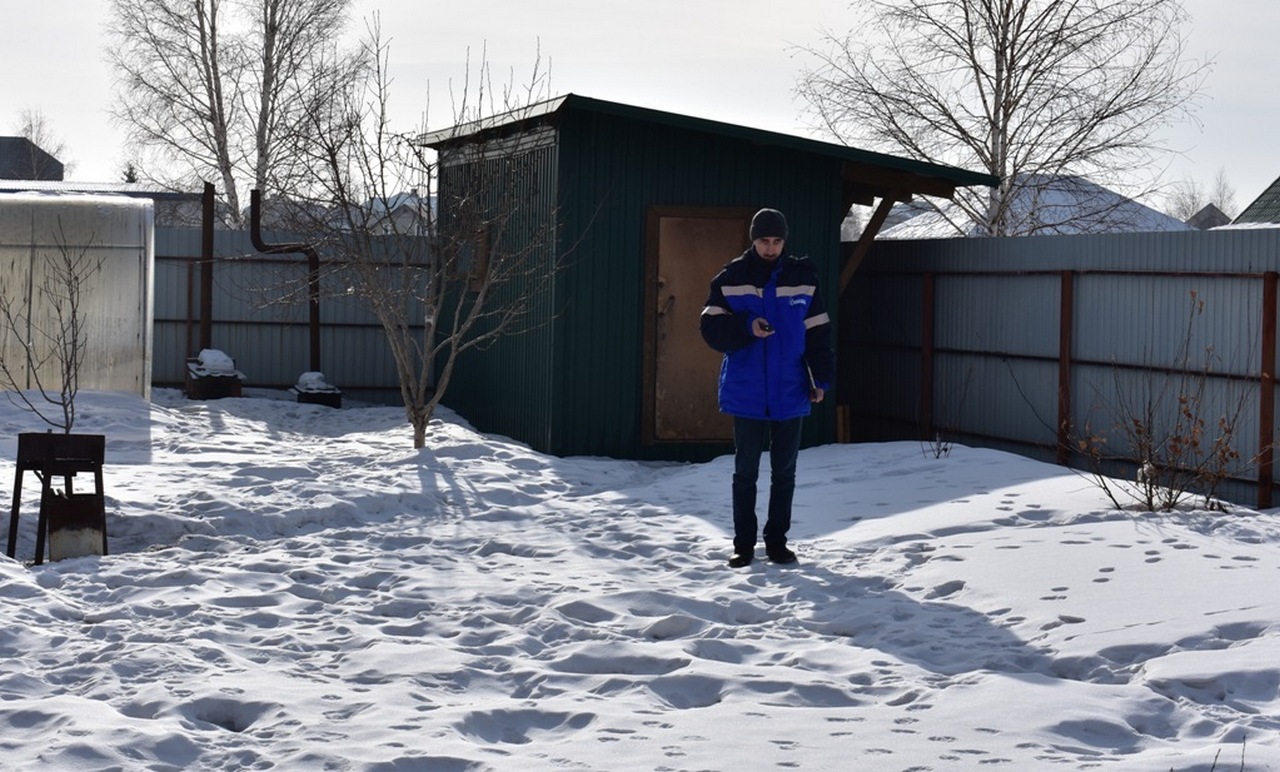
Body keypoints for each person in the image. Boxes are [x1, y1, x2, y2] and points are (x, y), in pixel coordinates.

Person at [700, 207, 835, 568]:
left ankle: (777, 543)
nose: (771, 248)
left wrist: (820, 380)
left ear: (784, 241)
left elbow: (819, 334)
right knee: (745, 472)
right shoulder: (731, 277)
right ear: (753, 240)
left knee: (784, 472)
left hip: (791, 389)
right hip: (746, 391)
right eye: (764, 241)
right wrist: (747, 326)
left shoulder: (803, 277)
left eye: (777, 241)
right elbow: (710, 330)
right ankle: (743, 545)